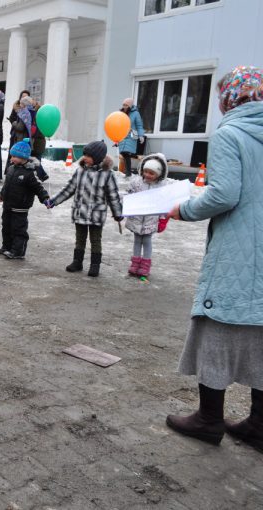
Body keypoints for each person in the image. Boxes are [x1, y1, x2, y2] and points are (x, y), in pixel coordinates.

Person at [165, 66, 263, 451]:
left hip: (238, 248)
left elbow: (224, 194)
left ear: (229, 99)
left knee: (217, 325)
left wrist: (183, 209)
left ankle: (209, 419)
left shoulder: (231, 133)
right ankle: (258, 424)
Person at [47, 140, 123, 277]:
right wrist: (54, 201)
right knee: (80, 239)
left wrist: (117, 212)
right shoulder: (80, 171)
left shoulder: (107, 174)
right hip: (80, 212)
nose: (85, 158)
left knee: (95, 240)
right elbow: (69, 189)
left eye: (88, 155)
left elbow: (113, 195)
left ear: (98, 157)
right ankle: (77, 261)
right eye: (85, 155)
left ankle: (95, 265)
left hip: (96, 214)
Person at [0, 138, 50, 260]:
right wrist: (2, 195)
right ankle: (7, 247)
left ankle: (18, 251)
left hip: (20, 207)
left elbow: (38, 188)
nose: (12, 159)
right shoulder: (11, 169)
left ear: (23, 157)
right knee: (6, 227)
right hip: (8, 205)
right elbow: (7, 185)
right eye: (11, 156)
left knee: (18, 230)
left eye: (14, 156)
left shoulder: (30, 173)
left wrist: (45, 198)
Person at [124, 153, 170, 278]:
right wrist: (125, 208)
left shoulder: (161, 187)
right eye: (146, 172)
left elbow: (164, 205)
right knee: (137, 240)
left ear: (159, 174)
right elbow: (128, 196)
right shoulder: (137, 183)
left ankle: (145, 266)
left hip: (151, 220)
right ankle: (135, 263)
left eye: (152, 173)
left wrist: (163, 220)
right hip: (137, 218)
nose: (148, 175)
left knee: (147, 241)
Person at [119, 98, 144, 178]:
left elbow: (139, 126)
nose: (124, 106)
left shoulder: (136, 113)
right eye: (123, 105)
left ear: (130, 105)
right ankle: (128, 171)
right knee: (123, 153)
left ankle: (128, 173)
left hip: (132, 134)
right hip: (122, 135)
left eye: (126, 105)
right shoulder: (121, 113)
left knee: (126, 153)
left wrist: (141, 135)